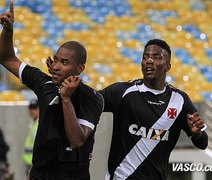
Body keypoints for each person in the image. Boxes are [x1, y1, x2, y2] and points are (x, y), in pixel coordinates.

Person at [0, 1, 103, 179]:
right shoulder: (44, 83)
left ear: (80, 68)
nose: (55, 66)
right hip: (40, 174)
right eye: (55, 60)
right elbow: (6, 58)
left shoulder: (92, 98)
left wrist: (65, 99)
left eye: (64, 63)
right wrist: (8, 31)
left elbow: (77, 140)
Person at [99, 39, 208, 180]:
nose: (149, 61)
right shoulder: (122, 91)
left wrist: (196, 133)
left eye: (156, 57)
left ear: (168, 66)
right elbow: (90, 102)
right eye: (145, 57)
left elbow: (203, 143)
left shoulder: (179, 100)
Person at [22, 99, 39, 180]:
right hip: (30, 163)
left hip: (34, 164)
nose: (32, 111)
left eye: (35, 108)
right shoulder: (34, 123)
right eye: (30, 108)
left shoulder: (39, 124)